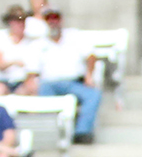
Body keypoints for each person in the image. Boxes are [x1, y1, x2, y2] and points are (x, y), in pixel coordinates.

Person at [37, 9, 102, 144]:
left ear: (61, 20)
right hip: (48, 84)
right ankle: (50, 137)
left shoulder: (74, 36)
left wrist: (89, 75)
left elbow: (91, 56)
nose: (53, 22)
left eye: (55, 18)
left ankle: (82, 133)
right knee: (41, 94)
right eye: (49, 19)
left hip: (73, 82)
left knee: (93, 94)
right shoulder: (39, 43)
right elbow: (32, 71)